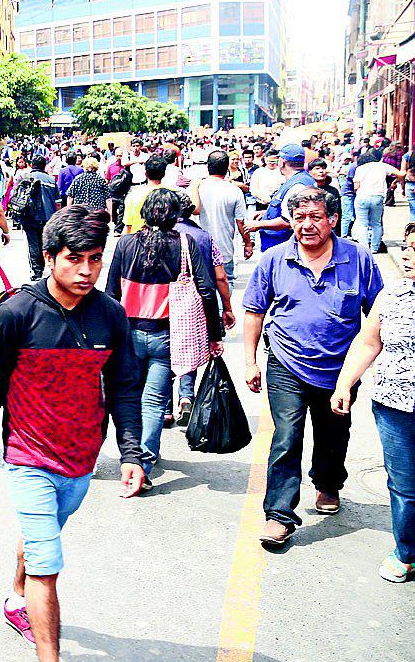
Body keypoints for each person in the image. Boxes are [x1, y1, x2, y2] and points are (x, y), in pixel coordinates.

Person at [0, 206, 145, 662]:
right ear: (49, 258)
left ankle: (14, 598)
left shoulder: (110, 314)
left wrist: (132, 454)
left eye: (94, 259)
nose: (86, 271)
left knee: (40, 535)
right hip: (28, 456)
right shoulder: (17, 313)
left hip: (82, 460)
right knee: (49, 562)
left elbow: (125, 385)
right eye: (74, 259)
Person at [243, 187, 383, 548]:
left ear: (333, 220)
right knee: (286, 436)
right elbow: (255, 311)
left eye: (315, 217)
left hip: (340, 371)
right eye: (299, 218)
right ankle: (278, 515)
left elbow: (378, 316)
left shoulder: (358, 259)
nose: (306, 226)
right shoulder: (274, 259)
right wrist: (250, 360)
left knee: (333, 434)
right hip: (286, 363)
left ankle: (328, 483)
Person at [105, 189, 221, 488]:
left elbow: (110, 293)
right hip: (169, 336)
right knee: (154, 401)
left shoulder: (126, 243)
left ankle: (129, 455)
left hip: (128, 334)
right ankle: (143, 461)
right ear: (175, 215)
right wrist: (214, 333)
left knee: (128, 396)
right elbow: (207, 290)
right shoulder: (186, 244)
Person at [332, 221, 415, 583]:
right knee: (404, 486)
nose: (407, 255)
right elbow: (369, 342)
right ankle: (407, 551)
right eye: (407, 246)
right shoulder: (392, 295)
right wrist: (344, 384)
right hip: (394, 406)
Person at [191, 150, 251, 282]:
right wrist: (248, 243)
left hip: (199, 249)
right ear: (226, 168)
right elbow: (240, 222)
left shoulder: (196, 188)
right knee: (227, 282)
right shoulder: (234, 190)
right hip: (225, 250)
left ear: (208, 167)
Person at [246, 143, 316, 254]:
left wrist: (257, 225)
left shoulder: (297, 185)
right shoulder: (298, 180)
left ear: (281, 162)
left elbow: (288, 221)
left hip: (283, 246)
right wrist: (266, 213)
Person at [352, 148, 405, 254]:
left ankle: (364, 247)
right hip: (377, 197)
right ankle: (374, 248)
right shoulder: (382, 166)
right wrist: (396, 180)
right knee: (376, 223)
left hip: (362, 196)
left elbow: (356, 186)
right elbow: (401, 174)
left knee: (362, 223)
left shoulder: (360, 168)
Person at [19, 156, 59, 280]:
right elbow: (57, 203)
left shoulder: (24, 177)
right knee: (46, 243)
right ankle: (51, 267)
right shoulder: (51, 180)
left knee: (33, 243)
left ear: (31, 165)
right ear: (44, 166)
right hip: (48, 217)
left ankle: (37, 271)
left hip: (29, 217)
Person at [122, 154, 171, 235]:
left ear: (146, 174)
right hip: (166, 241)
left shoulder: (133, 196)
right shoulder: (172, 194)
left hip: (139, 241)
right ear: (164, 174)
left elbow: (129, 227)